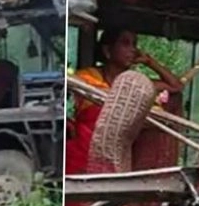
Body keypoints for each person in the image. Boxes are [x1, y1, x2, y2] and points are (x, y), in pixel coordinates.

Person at [65, 28, 183, 175]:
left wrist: (149, 61)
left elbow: (176, 86)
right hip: (83, 155)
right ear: (108, 50)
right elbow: (114, 96)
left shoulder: (136, 86)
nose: (133, 50)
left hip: (120, 160)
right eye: (126, 44)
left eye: (134, 44)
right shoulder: (86, 78)